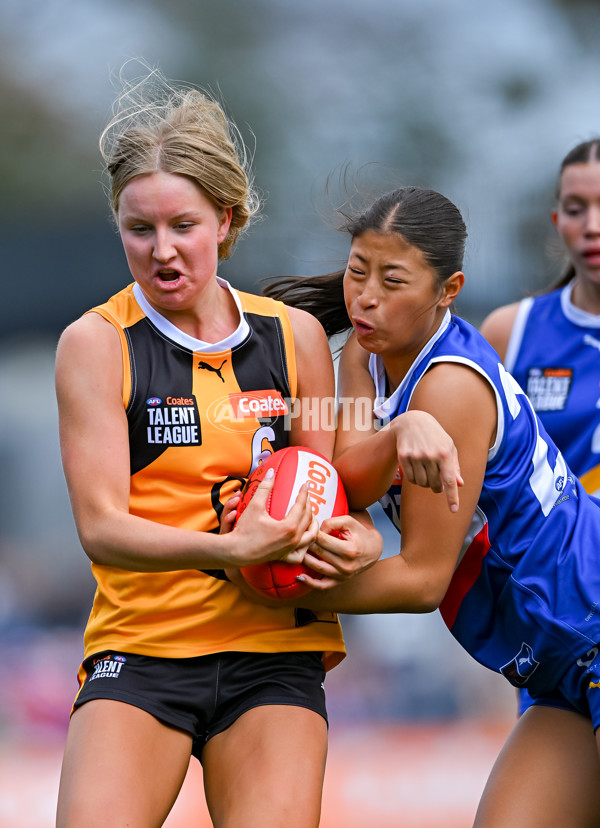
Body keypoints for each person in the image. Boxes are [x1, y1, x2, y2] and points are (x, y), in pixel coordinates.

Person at [54, 66, 461, 828]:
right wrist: (239, 549)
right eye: (139, 229)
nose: (162, 250)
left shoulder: (293, 337)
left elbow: (330, 485)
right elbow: (103, 530)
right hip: (142, 653)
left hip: (274, 652)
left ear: (227, 221)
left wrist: (378, 483)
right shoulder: (96, 343)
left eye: (184, 226)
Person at [258, 185, 600, 827]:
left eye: (393, 281)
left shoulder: (449, 386)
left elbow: (420, 579)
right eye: (358, 271)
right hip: (562, 668)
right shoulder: (365, 351)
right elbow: (352, 477)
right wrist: (397, 432)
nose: (364, 297)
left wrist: (272, 587)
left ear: (449, 290)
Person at [476, 138, 600, 824]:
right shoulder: (512, 333)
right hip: (560, 649)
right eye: (576, 208)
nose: (592, 225)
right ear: (557, 222)